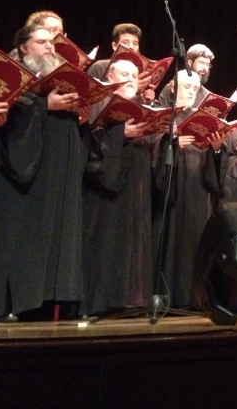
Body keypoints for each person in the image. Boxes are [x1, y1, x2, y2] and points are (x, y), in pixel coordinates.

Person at [0, 23, 88, 320]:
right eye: (41, 41)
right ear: (23, 47)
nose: (49, 46)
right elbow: (13, 108)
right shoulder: (14, 72)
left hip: (54, 165)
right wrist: (45, 105)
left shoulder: (58, 75)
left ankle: (50, 299)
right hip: (23, 171)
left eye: (52, 42)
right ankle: (17, 302)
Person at [81, 60, 155, 316]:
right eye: (125, 73)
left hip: (136, 185)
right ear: (110, 77)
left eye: (135, 75)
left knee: (132, 239)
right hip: (105, 192)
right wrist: (121, 134)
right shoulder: (99, 104)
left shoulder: (141, 108)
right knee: (105, 240)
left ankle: (130, 300)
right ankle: (100, 302)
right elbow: (89, 146)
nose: (132, 78)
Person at [153, 69, 222, 308]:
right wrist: (173, 144)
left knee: (198, 242)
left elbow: (215, 167)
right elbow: (153, 148)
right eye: (187, 87)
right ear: (173, 87)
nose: (192, 92)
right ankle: (171, 297)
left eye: (195, 88)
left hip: (199, 190)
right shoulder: (165, 115)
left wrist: (216, 148)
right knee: (174, 242)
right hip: (175, 189)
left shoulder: (202, 119)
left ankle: (196, 299)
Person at [87, 23, 156, 103]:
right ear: (114, 45)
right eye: (125, 42)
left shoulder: (140, 72)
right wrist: (133, 88)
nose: (131, 46)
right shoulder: (99, 67)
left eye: (135, 43)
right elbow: (88, 97)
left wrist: (147, 99)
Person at [157, 43, 214, 108]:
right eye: (201, 63)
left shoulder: (206, 96)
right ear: (190, 63)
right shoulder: (172, 87)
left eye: (207, 64)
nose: (205, 68)